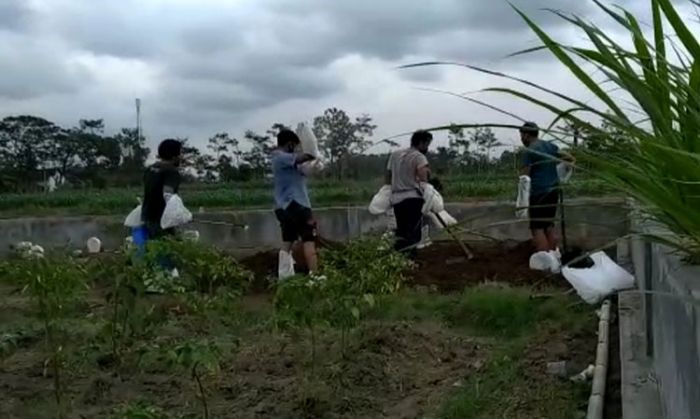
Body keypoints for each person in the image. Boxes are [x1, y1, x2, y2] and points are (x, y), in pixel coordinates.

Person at [519, 122, 574, 252]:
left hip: (538, 193)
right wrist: (561, 173)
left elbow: (525, 177)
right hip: (553, 191)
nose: (521, 139)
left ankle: (545, 264)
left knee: (537, 228)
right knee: (548, 225)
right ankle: (554, 257)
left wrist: (521, 199)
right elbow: (570, 158)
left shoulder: (529, 150)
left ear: (526, 135)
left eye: (521, 135)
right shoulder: (551, 146)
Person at [272, 129, 318, 273]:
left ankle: (285, 276)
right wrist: (312, 154)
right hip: (297, 205)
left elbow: (305, 169)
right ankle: (316, 278)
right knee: (309, 240)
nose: (296, 149)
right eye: (295, 146)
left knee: (287, 242)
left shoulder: (281, 161)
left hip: (283, 208)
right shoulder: (281, 157)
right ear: (290, 144)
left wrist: (315, 164)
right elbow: (306, 156)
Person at [385, 130, 433, 258]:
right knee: (413, 231)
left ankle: (399, 258)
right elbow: (423, 178)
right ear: (422, 143)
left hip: (396, 199)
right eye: (427, 144)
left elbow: (388, 176)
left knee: (401, 230)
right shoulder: (419, 157)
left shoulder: (395, 154)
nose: (427, 148)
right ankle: (411, 258)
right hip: (413, 198)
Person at [141, 138, 183, 240]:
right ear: (174, 156)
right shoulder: (171, 172)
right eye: (180, 154)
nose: (181, 157)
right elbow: (168, 194)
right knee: (167, 248)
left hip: (147, 216)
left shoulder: (150, 169)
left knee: (152, 247)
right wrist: (180, 213)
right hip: (162, 218)